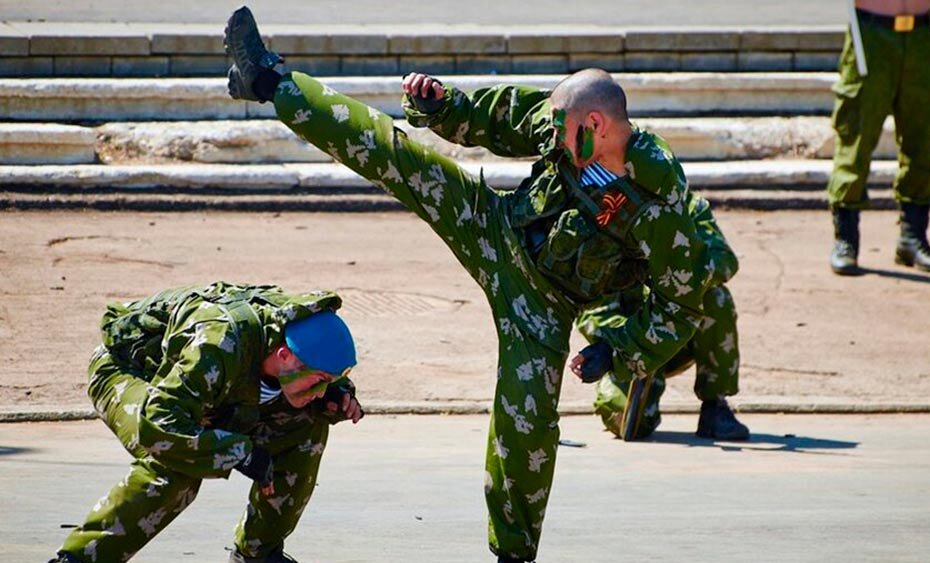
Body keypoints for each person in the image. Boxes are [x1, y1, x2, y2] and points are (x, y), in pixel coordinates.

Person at [224, 7, 718, 560]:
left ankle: (513, 554)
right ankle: (267, 79)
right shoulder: (566, 120)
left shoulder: (658, 198)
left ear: (597, 126)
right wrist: (441, 106)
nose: (551, 134)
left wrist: (617, 347)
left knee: (526, 422)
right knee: (396, 155)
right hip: (497, 227)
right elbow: (502, 120)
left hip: (545, 303)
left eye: (562, 129)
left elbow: (688, 297)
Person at [49, 282, 364, 563]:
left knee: (306, 427)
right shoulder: (217, 344)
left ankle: (257, 555)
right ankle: (81, 558)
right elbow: (160, 425)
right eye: (319, 380)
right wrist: (238, 451)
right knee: (178, 463)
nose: (320, 390)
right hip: (132, 373)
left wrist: (335, 398)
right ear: (284, 356)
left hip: (213, 394)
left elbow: (305, 382)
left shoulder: (295, 343)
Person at [576, 190, 748, 441]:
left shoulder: (687, 205)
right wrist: (621, 344)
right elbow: (595, 306)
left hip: (680, 332)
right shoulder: (611, 209)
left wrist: (676, 274)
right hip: (629, 342)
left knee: (716, 297)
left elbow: (723, 258)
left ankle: (715, 405)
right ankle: (632, 388)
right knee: (631, 425)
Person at [828, 0, 930, 275]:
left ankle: (913, 237)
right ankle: (846, 240)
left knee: (921, 139)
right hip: (871, 34)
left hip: (921, 34)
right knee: (857, 137)